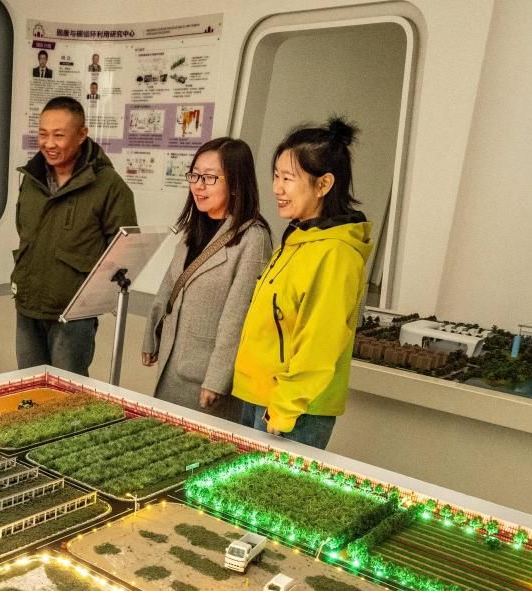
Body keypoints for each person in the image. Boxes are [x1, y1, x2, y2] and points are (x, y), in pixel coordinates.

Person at [232, 117, 374, 449]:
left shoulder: (336, 254)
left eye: (288, 178)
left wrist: (284, 409)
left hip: (292, 412)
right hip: (262, 399)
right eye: (276, 176)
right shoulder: (297, 238)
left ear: (323, 184)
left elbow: (320, 344)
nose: (276, 188)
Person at [142, 138, 271, 420]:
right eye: (195, 175)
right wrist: (151, 335)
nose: (198, 186)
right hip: (172, 361)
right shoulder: (196, 227)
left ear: (236, 184)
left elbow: (238, 317)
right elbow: (169, 285)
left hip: (205, 376)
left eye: (210, 178)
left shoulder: (253, 238)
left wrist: (217, 379)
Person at [11, 96, 136, 376]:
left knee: (68, 393)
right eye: (43, 134)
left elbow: (124, 251)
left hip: (74, 314)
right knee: (29, 387)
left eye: (59, 135)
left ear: (82, 135)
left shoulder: (108, 185)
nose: (49, 143)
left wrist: (90, 297)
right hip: (28, 304)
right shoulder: (31, 179)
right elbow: (24, 231)